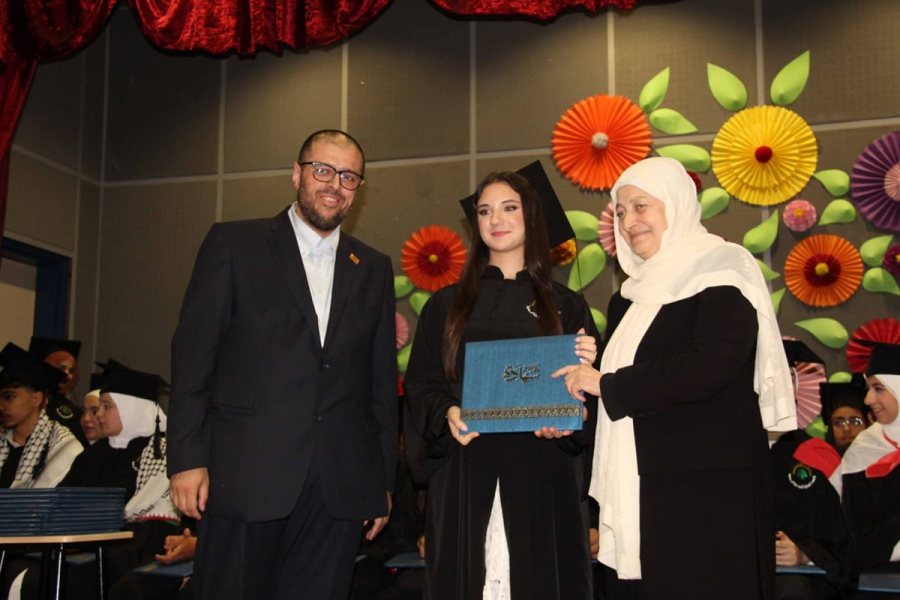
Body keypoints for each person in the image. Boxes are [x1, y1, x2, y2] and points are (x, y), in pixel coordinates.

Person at [168, 129, 398, 600]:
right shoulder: (234, 244)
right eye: (323, 170)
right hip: (246, 475)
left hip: (338, 484)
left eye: (349, 176)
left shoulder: (373, 267)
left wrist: (380, 482)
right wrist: (187, 459)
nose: (334, 184)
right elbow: (193, 360)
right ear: (297, 174)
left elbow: (379, 383)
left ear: (358, 189)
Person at [555, 157, 796, 599]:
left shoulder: (723, 269)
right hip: (643, 486)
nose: (629, 222)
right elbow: (620, 386)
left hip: (708, 491)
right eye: (620, 211)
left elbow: (713, 364)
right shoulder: (627, 299)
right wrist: (585, 386)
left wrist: (606, 384)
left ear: (677, 203)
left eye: (641, 206)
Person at [404, 166, 599, 599]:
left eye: (510, 208)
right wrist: (448, 412)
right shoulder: (446, 306)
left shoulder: (567, 307)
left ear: (532, 215)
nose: (496, 219)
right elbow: (421, 384)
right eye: (485, 211)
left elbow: (590, 402)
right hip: (465, 471)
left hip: (543, 473)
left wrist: (571, 420)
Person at [831, 343, 900, 574]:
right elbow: (842, 524)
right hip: (875, 579)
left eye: (878, 388)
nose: (868, 399)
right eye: (869, 388)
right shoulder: (864, 448)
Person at [0, 342, 83, 488]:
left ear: (36, 399)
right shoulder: (3, 441)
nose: (1, 406)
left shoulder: (63, 447)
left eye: (9, 397)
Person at [28, 336, 87, 445]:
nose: (68, 376)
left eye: (71, 371)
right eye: (62, 369)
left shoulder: (76, 414)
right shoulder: (25, 404)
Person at [821, 376, 870, 455]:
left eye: (855, 422)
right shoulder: (821, 461)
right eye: (838, 423)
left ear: (868, 425)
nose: (846, 429)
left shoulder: (884, 459)